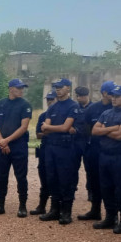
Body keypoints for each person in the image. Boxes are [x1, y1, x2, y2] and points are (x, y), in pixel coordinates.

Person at [91, 84, 121, 234]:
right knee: (106, 187)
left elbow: (120, 135)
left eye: (117, 96)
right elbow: (94, 131)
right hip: (104, 155)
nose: (114, 99)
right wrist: (112, 128)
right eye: (113, 96)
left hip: (120, 156)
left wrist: (104, 130)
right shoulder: (106, 113)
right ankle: (110, 217)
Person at [40, 78, 80, 224]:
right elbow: (45, 130)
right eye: (56, 87)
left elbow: (64, 127)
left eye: (60, 87)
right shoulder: (52, 107)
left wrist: (51, 128)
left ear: (68, 88)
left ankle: (66, 212)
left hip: (66, 148)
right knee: (52, 178)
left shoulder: (73, 106)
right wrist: (58, 128)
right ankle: (54, 210)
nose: (58, 89)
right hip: (51, 146)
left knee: (66, 179)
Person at [0, 78, 32, 217]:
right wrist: (1, 141)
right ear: (10, 88)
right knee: (1, 176)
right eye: (18, 88)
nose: (21, 90)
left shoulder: (25, 105)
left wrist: (6, 140)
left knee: (21, 176)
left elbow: (24, 127)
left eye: (22, 88)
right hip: (1, 145)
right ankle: (0, 205)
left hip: (18, 145)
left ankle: (22, 206)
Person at [78, 81, 115, 221]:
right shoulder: (93, 109)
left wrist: (101, 132)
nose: (114, 96)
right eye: (112, 93)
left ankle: (112, 214)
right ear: (104, 93)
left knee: (110, 182)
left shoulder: (117, 108)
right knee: (94, 181)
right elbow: (87, 128)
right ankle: (95, 210)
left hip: (110, 150)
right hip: (93, 150)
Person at [30, 91, 57, 215]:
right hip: (44, 150)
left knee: (56, 179)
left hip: (57, 150)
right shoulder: (43, 116)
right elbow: (38, 134)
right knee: (44, 178)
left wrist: (48, 130)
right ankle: (42, 206)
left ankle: (56, 208)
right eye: (48, 100)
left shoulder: (61, 116)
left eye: (52, 99)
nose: (49, 102)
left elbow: (65, 131)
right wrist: (55, 131)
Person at [72, 86, 92, 201]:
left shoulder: (93, 108)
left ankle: (91, 191)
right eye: (78, 96)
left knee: (89, 168)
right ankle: (72, 189)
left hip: (89, 141)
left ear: (86, 96)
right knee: (73, 167)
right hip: (76, 141)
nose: (79, 98)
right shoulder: (74, 108)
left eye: (82, 96)